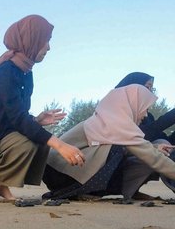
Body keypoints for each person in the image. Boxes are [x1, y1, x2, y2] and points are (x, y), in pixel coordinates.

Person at [0, 15, 84, 202]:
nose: (48, 48)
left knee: (38, 138)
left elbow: (15, 114)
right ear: (32, 40)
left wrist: (37, 120)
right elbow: (15, 118)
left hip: (1, 130)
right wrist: (60, 144)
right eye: (46, 41)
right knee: (28, 142)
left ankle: (3, 186)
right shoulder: (6, 71)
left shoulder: (25, 72)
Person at [43, 84, 175, 200]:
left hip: (66, 172)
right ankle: (80, 190)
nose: (146, 115)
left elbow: (135, 148)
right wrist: (153, 150)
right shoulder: (116, 123)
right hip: (60, 174)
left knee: (134, 154)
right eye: (145, 108)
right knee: (132, 153)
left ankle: (110, 191)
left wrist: (154, 147)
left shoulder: (110, 120)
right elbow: (154, 159)